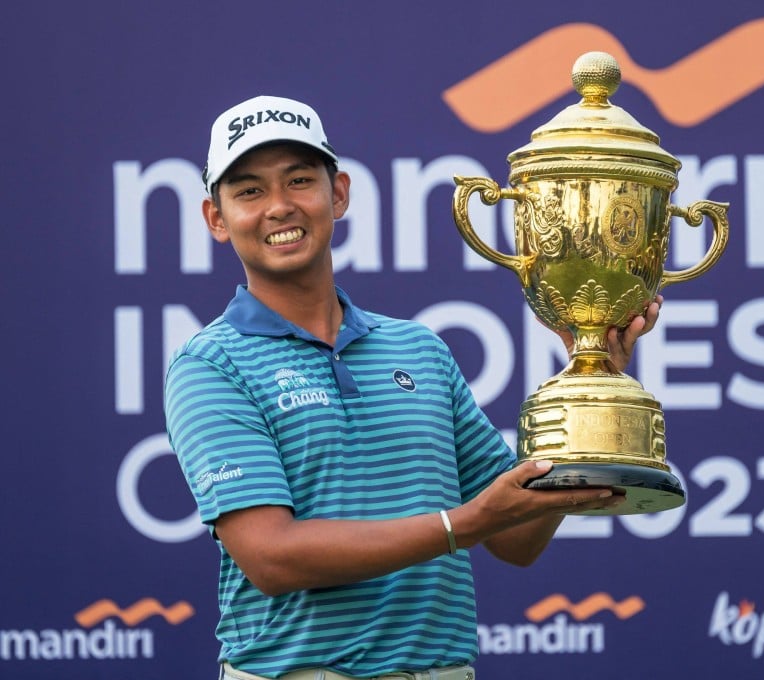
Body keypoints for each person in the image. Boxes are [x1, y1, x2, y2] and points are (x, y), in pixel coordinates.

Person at [164, 95, 662, 680]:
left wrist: (587, 390)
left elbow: (517, 539)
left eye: (299, 180)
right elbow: (271, 557)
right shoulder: (209, 364)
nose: (278, 206)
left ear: (339, 193)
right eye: (249, 190)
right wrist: (462, 525)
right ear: (216, 218)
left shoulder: (418, 349)